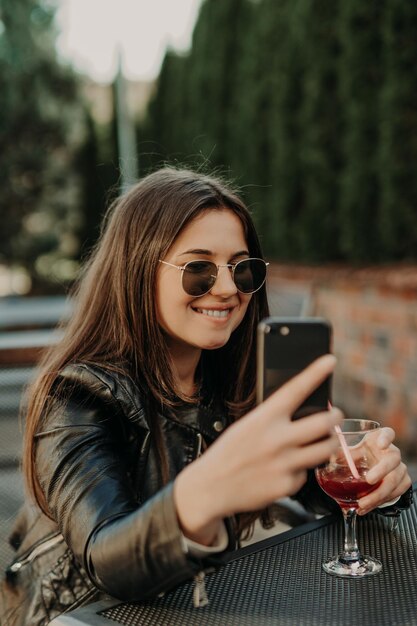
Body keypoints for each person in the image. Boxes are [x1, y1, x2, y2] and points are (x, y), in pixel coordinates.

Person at [1, 167, 412, 626]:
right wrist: (207, 491)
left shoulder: (234, 382)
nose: (227, 287)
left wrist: (373, 480)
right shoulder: (78, 395)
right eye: (198, 269)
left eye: (242, 268)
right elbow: (104, 557)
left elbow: (310, 483)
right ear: (138, 270)